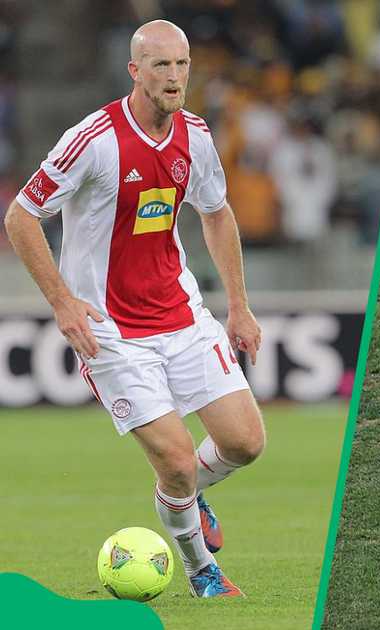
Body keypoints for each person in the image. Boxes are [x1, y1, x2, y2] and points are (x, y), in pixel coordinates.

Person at [5, 20, 264, 598]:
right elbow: (21, 216)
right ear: (136, 71)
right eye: (161, 66)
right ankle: (203, 570)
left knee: (246, 443)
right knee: (175, 458)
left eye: (182, 64)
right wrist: (62, 301)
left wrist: (239, 306)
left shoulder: (195, 135)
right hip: (112, 332)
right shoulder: (92, 139)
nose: (174, 77)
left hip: (182, 314)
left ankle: (191, 496)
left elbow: (217, 212)